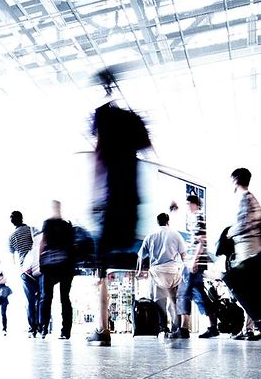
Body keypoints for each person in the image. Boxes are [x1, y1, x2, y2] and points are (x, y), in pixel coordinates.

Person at [87, 68, 153, 347]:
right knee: (110, 258)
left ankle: (103, 331)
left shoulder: (104, 118)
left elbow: (98, 160)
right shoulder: (132, 122)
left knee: (99, 267)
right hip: (131, 201)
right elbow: (146, 147)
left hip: (109, 199)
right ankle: (103, 329)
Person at [176, 193, 219, 339]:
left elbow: (202, 240)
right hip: (196, 262)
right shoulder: (196, 216)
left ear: (193, 204)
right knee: (199, 295)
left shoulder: (198, 216)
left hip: (194, 263)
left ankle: (183, 329)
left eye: (187, 204)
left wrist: (194, 260)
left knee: (183, 293)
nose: (186, 207)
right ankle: (213, 327)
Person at [136, 212, 186, 337]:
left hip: (157, 272)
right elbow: (184, 255)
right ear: (168, 221)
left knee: (159, 302)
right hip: (174, 271)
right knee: (174, 302)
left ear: (157, 222)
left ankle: (163, 328)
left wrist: (139, 271)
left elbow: (140, 256)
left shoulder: (150, 236)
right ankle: (176, 328)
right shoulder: (176, 234)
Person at [229, 167, 261, 341]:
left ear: (235, 180)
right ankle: (248, 328)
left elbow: (243, 224)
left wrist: (229, 232)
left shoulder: (244, 198)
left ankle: (250, 328)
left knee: (245, 291)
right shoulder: (252, 199)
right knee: (248, 291)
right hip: (252, 247)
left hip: (247, 248)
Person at [39, 200, 75, 340]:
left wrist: (40, 262)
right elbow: (72, 246)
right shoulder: (67, 225)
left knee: (46, 298)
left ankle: (44, 329)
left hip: (50, 266)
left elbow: (42, 242)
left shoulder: (47, 223)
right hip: (66, 266)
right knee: (65, 298)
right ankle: (66, 331)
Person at [8, 210, 41, 338]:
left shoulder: (11, 237)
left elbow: (13, 259)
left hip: (25, 272)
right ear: (22, 218)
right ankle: (42, 326)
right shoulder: (32, 229)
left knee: (30, 300)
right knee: (41, 298)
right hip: (38, 268)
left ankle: (32, 328)